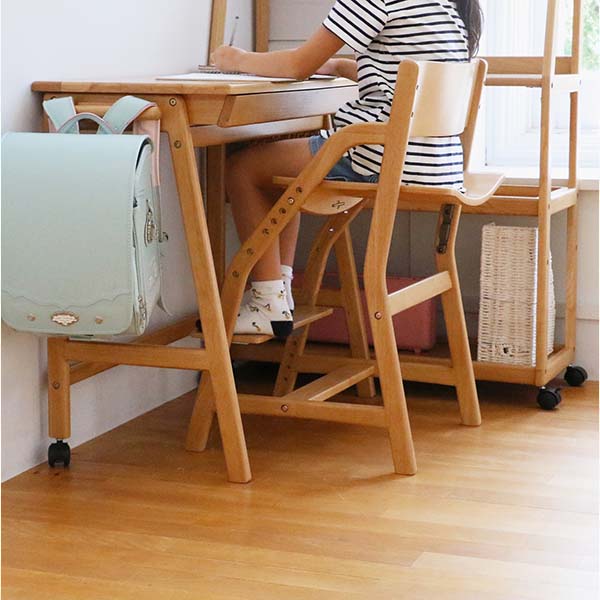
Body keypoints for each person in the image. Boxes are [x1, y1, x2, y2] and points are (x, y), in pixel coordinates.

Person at [211, 0, 483, 337]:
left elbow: (297, 66)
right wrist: (341, 66)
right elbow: (405, 77)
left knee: (243, 169)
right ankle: (278, 297)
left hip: (381, 154)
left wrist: (236, 59)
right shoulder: (444, 8)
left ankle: (268, 302)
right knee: (280, 173)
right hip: (436, 163)